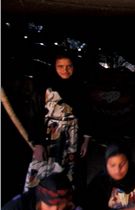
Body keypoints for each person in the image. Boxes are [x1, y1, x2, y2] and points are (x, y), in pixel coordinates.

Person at [24, 51, 92, 200]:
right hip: (48, 138)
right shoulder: (44, 88)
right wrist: (37, 143)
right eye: (60, 66)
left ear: (74, 67)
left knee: (68, 175)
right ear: (53, 67)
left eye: (69, 66)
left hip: (72, 139)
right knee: (42, 172)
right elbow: (34, 115)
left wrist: (86, 141)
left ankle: (63, 206)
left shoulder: (81, 88)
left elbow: (87, 115)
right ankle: (37, 205)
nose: (65, 70)